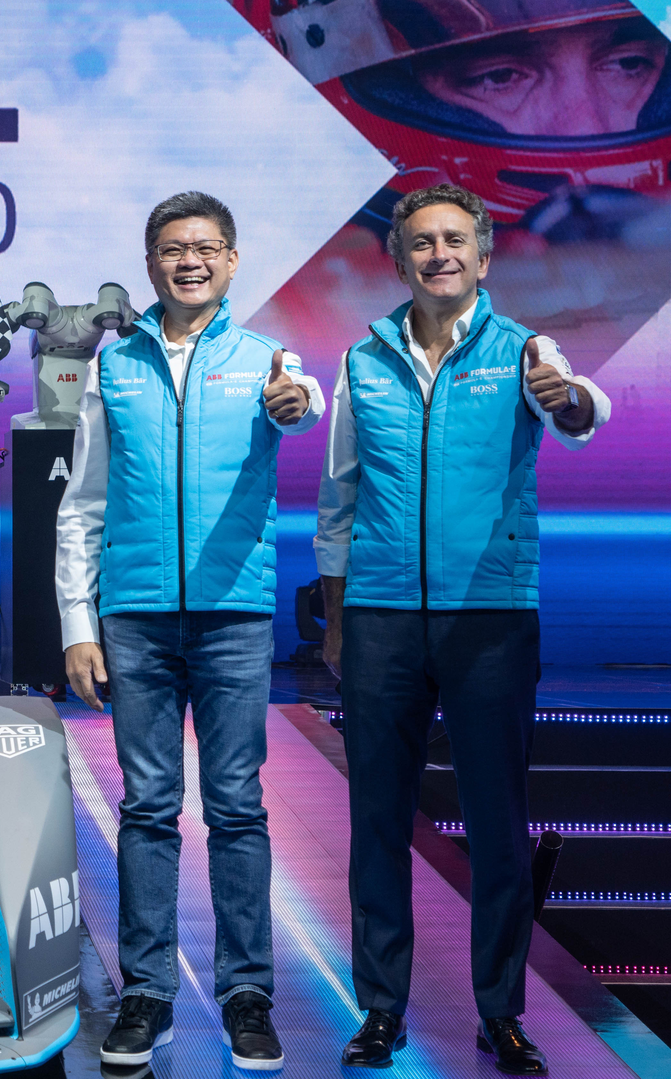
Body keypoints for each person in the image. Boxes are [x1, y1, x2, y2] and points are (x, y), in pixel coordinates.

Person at [318, 183, 611, 1075]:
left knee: (497, 822)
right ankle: (380, 1010)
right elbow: (339, 498)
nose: (438, 253)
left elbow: (581, 413)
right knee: (377, 819)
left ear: (483, 257)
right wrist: (335, 621)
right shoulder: (363, 359)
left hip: (490, 617)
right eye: (421, 241)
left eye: (454, 240)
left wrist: (566, 395)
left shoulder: (527, 349)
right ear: (399, 260)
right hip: (379, 618)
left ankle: (502, 1013)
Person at [55, 191, 323, 1072]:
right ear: (151, 264)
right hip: (134, 618)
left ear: (232, 261)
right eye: (174, 248)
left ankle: (247, 994)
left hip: (233, 617)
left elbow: (303, 403)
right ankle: (146, 991)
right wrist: (78, 624)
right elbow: (82, 503)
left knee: (237, 806)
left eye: (207, 247)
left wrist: (294, 399)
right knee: (147, 807)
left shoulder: (265, 360)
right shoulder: (114, 366)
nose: (190, 261)